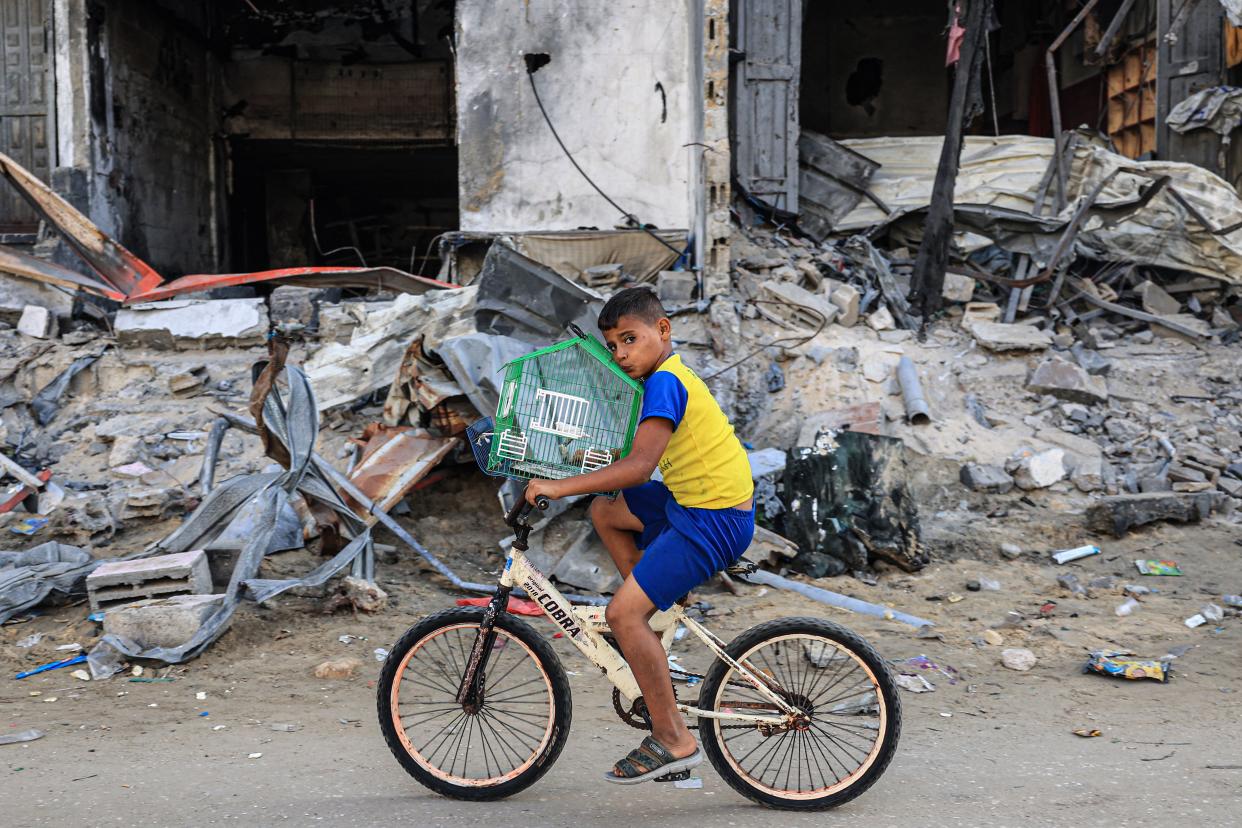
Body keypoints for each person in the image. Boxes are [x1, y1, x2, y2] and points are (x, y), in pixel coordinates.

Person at [525, 287, 755, 784]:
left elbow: (640, 466)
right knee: (607, 512)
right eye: (613, 345)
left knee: (619, 613)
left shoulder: (666, 383)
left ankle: (675, 739)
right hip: (692, 503)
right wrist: (569, 464)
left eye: (630, 339)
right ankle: (652, 616)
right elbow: (628, 462)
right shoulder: (662, 377)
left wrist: (559, 487)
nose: (621, 353)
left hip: (712, 519)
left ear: (663, 330)